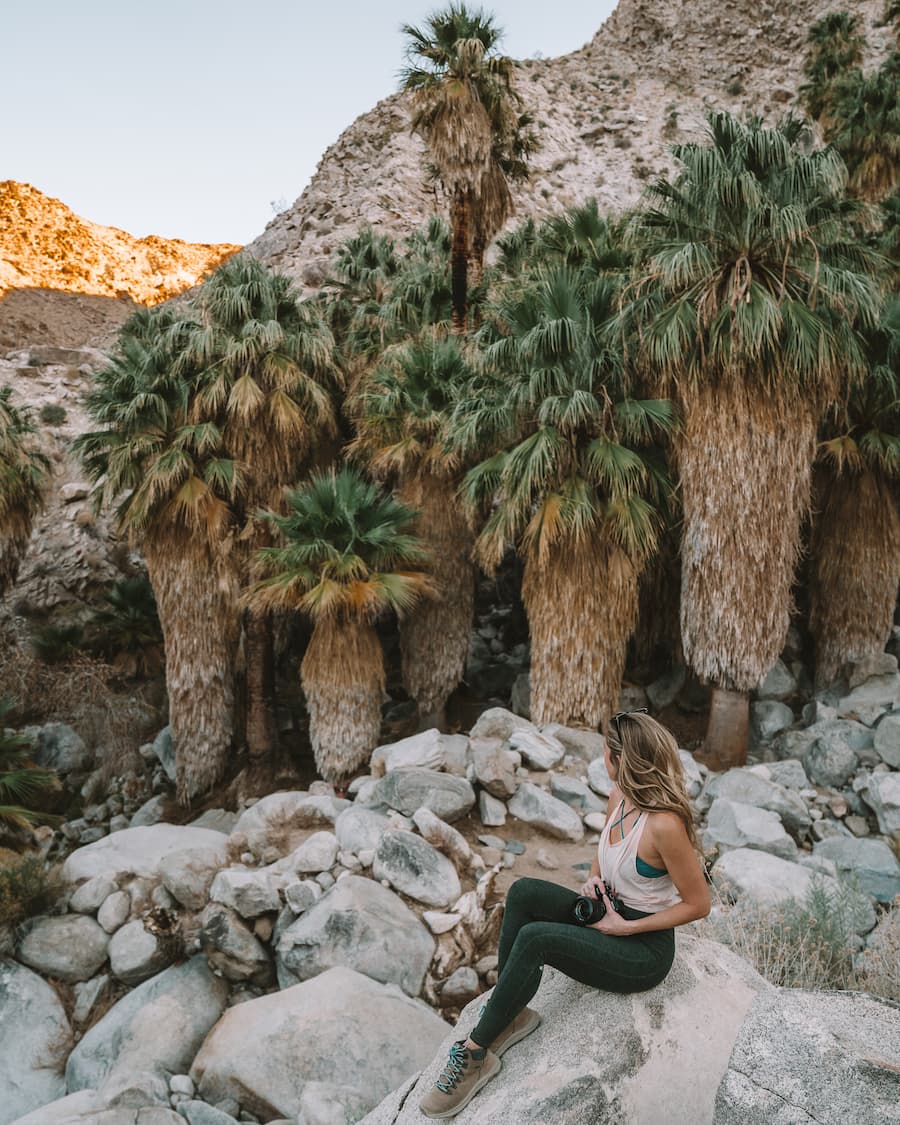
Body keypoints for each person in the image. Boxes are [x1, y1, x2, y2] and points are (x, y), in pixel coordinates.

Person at [419, 709, 711, 1120]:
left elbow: (698, 904)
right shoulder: (618, 798)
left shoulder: (665, 825)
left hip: (643, 951)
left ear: (619, 759)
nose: (602, 761)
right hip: (607, 911)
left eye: (606, 753)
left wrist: (627, 926)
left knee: (537, 938)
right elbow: (603, 856)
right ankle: (512, 1014)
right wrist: (593, 880)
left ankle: (475, 1053)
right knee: (522, 891)